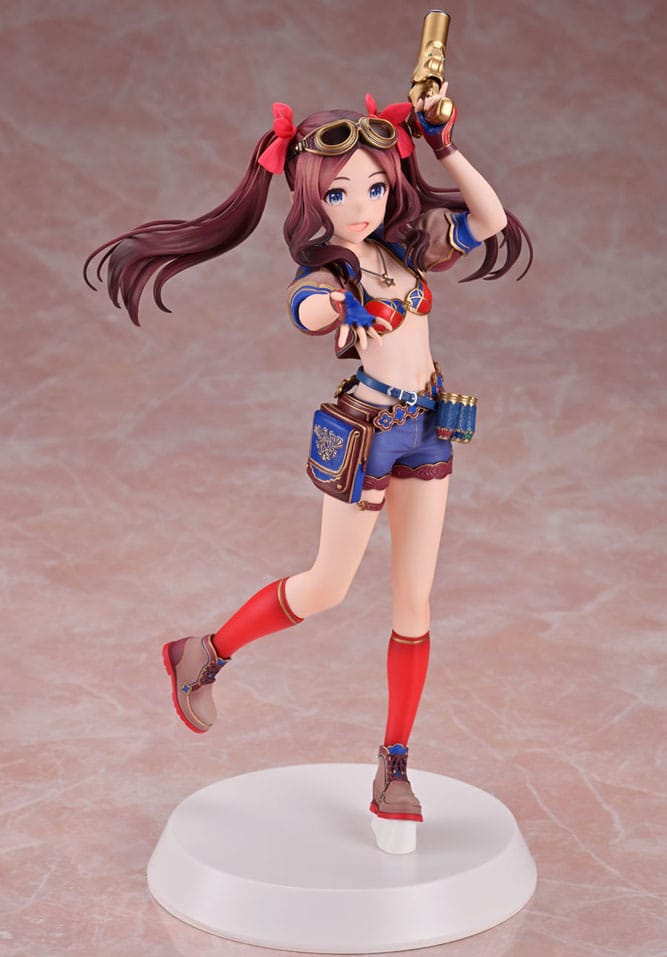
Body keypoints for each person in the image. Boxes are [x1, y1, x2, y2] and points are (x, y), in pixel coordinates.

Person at [85, 82, 531, 828]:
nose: (360, 204)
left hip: (428, 428)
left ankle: (394, 763)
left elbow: (488, 219)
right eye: (339, 192)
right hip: (370, 433)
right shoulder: (331, 268)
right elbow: (306, 309)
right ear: (310, 197)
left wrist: (444, 145)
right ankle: (205, 652)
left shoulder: (404, 248)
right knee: (327, 586)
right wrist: (347, 307)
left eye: (375, 187)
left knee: (415, 604)